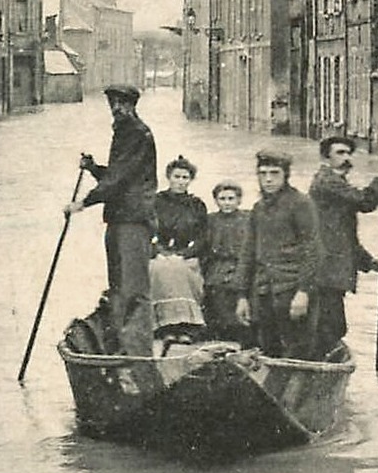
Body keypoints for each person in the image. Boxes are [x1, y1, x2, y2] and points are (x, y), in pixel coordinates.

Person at [64, 84, 156, 358]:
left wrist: (83, 203)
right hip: (119, 219)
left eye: (122, 103)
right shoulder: (124, 132)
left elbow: (119, 179)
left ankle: (137, 353)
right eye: (113, 103)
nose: (116, 108)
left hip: (133, 220)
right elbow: (115, 174)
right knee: (117, 287)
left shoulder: (137, 133)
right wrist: (93, 168)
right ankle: (119, 346)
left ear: (132, 105)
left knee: (133, 288)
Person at [308, 135, 378, 359]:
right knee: (331, 326)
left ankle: (322, 364)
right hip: (326, 270)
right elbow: (365, 202)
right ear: (326, 157)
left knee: (332, 326)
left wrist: (370, 262)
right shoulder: (327, 182)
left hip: (333, 269)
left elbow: (345, 236)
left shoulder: (337, 184)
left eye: (348, 153)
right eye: (340, 153)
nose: (346, 158)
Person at [237, 150, 320, 360]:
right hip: (264, 290)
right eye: (262, 173)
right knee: (268, 348)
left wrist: (304, 292)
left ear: (285, 175)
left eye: (274, 173)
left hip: (292, 290)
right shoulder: (259, 208)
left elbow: (313, 250)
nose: (268, 179)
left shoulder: (301, 204)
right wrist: (242, 296)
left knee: (297, 350)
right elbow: (248, 252)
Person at [149, 155, 207, 345]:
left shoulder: (196, 205)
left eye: (185, 178)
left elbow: (202, 237)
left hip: (185, 253)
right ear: (169, 177)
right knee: (159, 268)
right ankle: (165, 327)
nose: (181, 182)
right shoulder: (156, 201)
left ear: (190, 180)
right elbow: (146, 231)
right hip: (159, 252)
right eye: (177, 177)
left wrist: (186, 254)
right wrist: (157, 250)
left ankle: (186, 327)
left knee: (183, 269)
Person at [201, 179, 251, 346]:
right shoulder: (210, 220)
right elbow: (203, 245)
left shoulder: (247, 218)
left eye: (231, 199)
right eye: (222, 199)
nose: (227, 203)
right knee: (215, 286)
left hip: (241, 263)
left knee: (238, 285)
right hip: (218, 263)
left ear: (239, 200)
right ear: (216, 200)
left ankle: (241, 329)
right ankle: (220, 329)